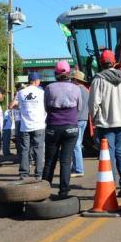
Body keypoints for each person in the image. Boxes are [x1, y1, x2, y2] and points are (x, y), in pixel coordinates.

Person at [88, 49, 121, 191]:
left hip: (106, 123)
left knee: (109, 155)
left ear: (101, 63)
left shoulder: (98, 79)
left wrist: (95, 118)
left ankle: (111, 184)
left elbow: (93, 104)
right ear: (114, 62)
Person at [42, 61, 82, 196]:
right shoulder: (76, 88)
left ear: (55, 73)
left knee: (50, 161)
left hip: (53, 127)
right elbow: (79, 107)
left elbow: (46, 107)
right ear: (69, 73)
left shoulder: (49, 88)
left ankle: (44, 190)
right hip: (71, 127)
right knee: (66, 161)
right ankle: (64, 191)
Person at [11, 73, 46, 179]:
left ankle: (24, 174)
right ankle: (39, 174)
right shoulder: (42, 92)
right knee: (38, 150)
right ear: (36, 81)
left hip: (25, 126)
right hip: (39, 125)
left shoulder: (21, 92)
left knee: (24, 150)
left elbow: (14, 106)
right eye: (39, 80)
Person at [71, 70, 90, 177]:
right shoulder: (87, 91)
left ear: (75, 80)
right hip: (84, 119)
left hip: (76, 119)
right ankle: (75, 167)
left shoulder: (75, 90)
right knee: (78, 143)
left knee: (76, 144)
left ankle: (78, 169)